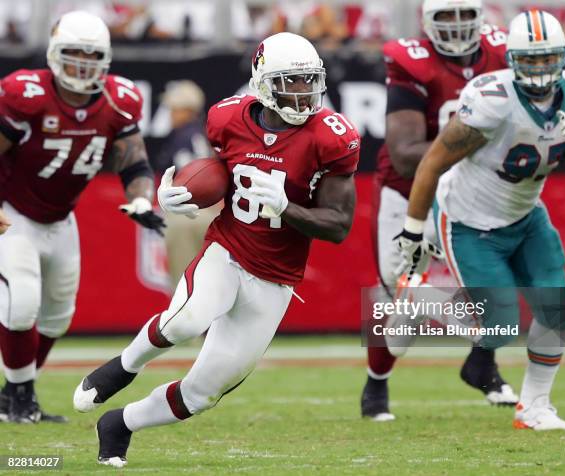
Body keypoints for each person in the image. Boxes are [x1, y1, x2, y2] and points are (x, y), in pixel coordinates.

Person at [72, 32, 360, 467]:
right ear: (263, 82)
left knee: (202, 393)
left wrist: (288, 206)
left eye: (309, 81)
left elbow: (338, 226)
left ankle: (121, 423)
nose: (303, 93)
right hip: (229, 249)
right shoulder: (227, 118)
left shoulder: (332, 137)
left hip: (277, 278)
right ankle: (123, 367)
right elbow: (219, 174)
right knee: (188, 317)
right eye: (291, 82)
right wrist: (181, 198)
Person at [396, 10, 565, 430]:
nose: (540, 69)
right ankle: (420, 297)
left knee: (557, 309)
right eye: (530, 59)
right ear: (511, 59)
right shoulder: (491, 100)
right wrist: (412, 232)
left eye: (548, 59)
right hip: (470, 221)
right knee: (502, 325)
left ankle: (535, 407)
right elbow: (431, 164)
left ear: (562, 58)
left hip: (527, 215)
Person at [0, 10, 164, 424]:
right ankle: (21, 400)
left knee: (57, 315)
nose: (82, 65)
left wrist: (142, 200)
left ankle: (14, 396)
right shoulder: (25, 93)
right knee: (21, 301)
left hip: (60, 218)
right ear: (55, 54)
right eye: (74, 54)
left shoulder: (119, 99)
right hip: (13, 212)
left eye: (92, 56)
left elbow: (135, 163)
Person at [361, 0, 517, 422]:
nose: (456, 25)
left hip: (468, 190)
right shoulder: (412, 62)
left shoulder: (503, 52)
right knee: (403, 297)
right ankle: (377, 382)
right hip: (407, 190)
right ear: (428, 21)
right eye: (445, 16)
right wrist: (478, 145)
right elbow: (406, 153)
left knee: (499, 277)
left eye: (464, 14)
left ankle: (483, 363)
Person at [154, 80, 220, 289]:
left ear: (186, 110)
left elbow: (188, 178)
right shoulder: (203, 135)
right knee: (208, 282)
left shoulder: (182, 138)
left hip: (184, 214)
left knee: (184, 287)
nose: (171, 114)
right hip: (209, 215)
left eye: (174, 109)